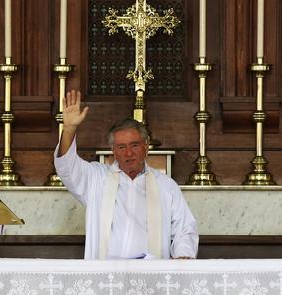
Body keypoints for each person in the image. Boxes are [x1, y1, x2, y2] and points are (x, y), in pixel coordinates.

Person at [54, 90, 199, 259]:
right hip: (106, 275)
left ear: (146, 147)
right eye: (122, 147)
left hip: (150, 276)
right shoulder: (97, 178)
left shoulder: (166, 186)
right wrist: (69, 129)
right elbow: (66, 166)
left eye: (135, 145)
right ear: (113, 151)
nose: (128, 153)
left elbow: (184, 230)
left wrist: (183, 256)